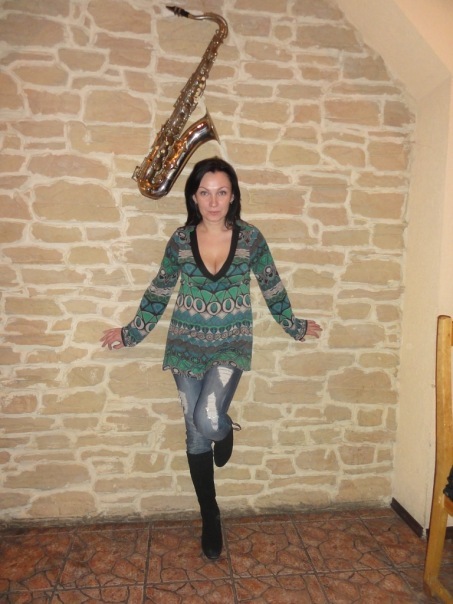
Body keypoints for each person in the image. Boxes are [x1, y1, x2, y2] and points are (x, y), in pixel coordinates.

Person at [100, 157, 322, 560]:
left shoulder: (251, 238)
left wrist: (294, 326)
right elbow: (159, 290)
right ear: (194, 197)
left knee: (207, 419)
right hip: (185, 345)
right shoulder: (180, 240)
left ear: (233, 196)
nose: (213, 201)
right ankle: (210, 514)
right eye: (205, 192)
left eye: (221, 192)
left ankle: (223, 427)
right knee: (195, 433)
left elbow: (271, 284)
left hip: (230, 344)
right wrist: (130, 333)